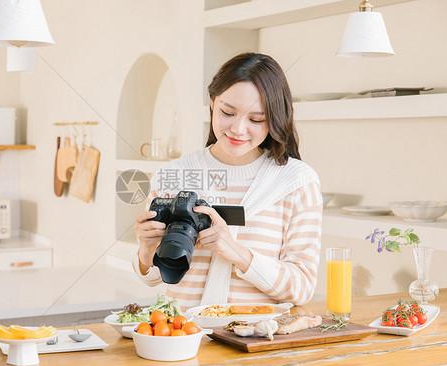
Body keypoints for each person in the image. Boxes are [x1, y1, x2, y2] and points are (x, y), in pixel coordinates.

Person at [133, 53, 322, 310]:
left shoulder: (297, 181)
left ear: (275, 118)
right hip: (182, 337)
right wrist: (146, 250)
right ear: (212, 102)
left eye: (256, 119)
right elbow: (153, 278)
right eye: (227, 112)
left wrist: (237, 253)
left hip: (255, 342)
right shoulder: (172, 174)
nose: (238, 129)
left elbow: (301, 288)